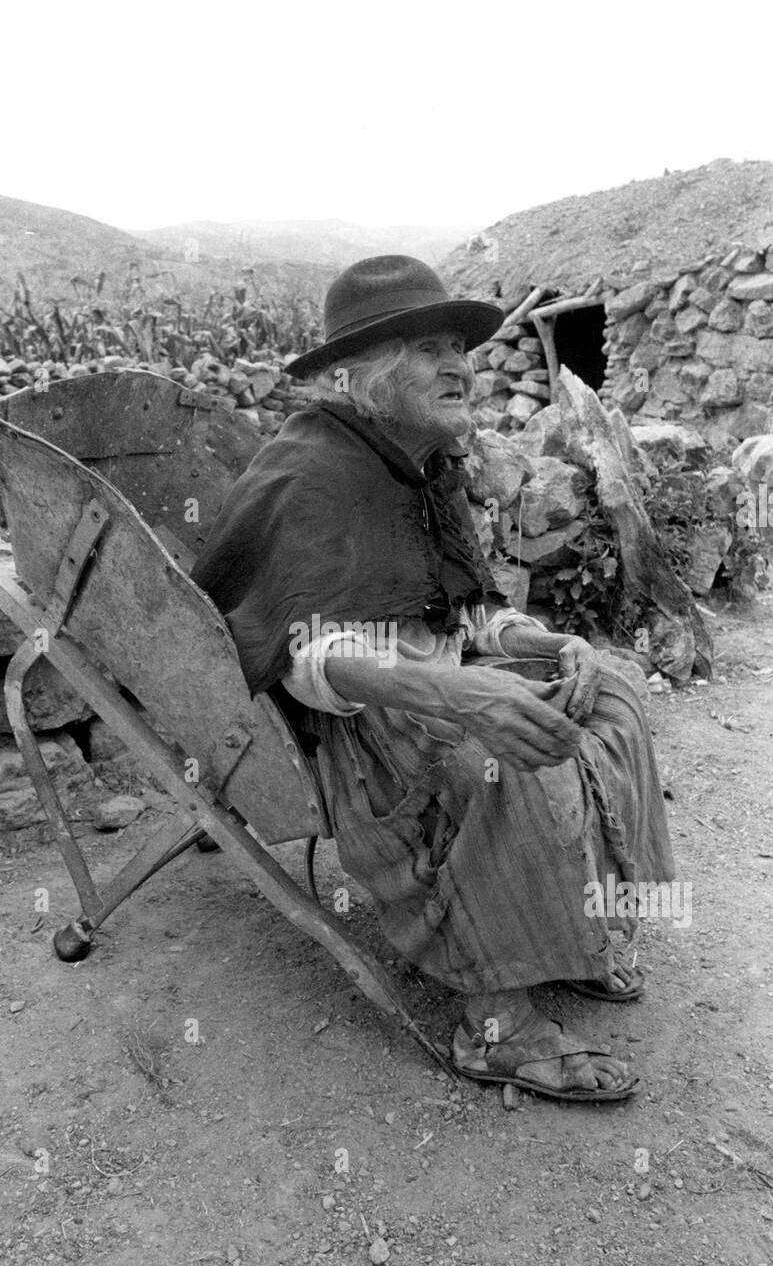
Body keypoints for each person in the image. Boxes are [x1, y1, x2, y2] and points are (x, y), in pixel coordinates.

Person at [191, 255, 676, 1102]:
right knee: (494, 756)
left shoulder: (424, 462)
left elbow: (461, 605)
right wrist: (456, 694)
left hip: (440, 680)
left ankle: (575, 937)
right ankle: (498, 1027)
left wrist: (535, 640)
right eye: (425, 348)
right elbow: (301, 652)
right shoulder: (311, 471)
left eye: (457, 345)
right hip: (369, 723)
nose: (457, 364)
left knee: (613, 696)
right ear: (365, 372)